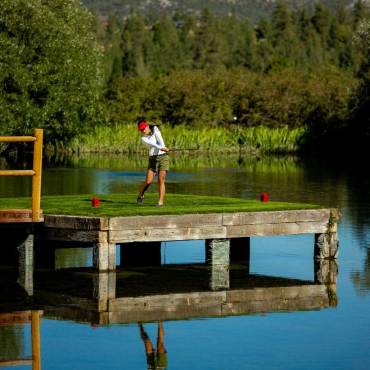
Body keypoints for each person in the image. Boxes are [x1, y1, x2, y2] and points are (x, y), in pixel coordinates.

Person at [137, 120, 170, 206]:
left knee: (161, 180)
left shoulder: (155, 128)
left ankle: (160, 202)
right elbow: (153, 144)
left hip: (163, 157)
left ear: (147, 126)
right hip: (153, 158)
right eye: (141, 130)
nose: (143, 131)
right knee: (148, 181)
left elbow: (159, 138)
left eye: (144, 128)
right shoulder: (143, 138)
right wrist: (161, 148)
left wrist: (163, 147)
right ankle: (141, 194)